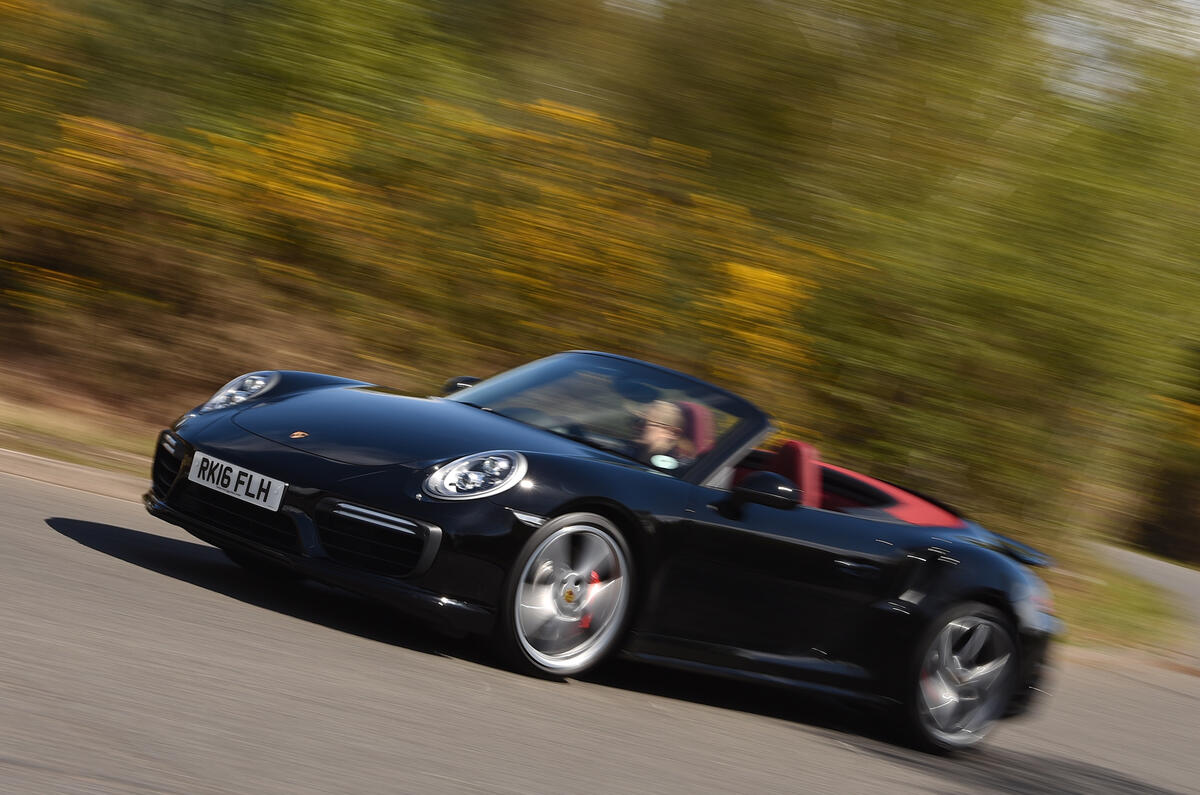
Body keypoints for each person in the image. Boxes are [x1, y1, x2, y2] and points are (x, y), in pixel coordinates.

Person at [631, 400, 695, 467]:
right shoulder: (629, 450)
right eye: (637, 421)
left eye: (643, 423)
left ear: (673, 432)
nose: (636, 427)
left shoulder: (679, 470)